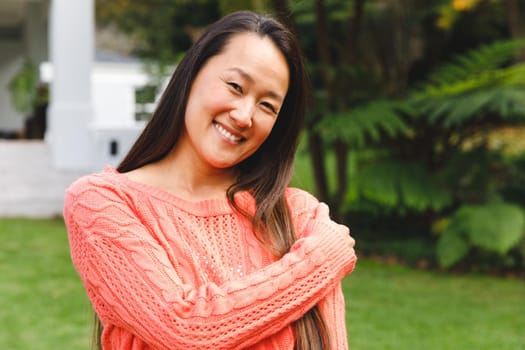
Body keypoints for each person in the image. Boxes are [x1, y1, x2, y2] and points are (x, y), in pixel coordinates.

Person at [64, 10, 357, 350]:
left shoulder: (297, 215)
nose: (244, 115)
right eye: (235, 86)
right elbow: (185, 331)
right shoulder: (103, 202)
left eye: (267, 105)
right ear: (192, 74)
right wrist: (318, 263)